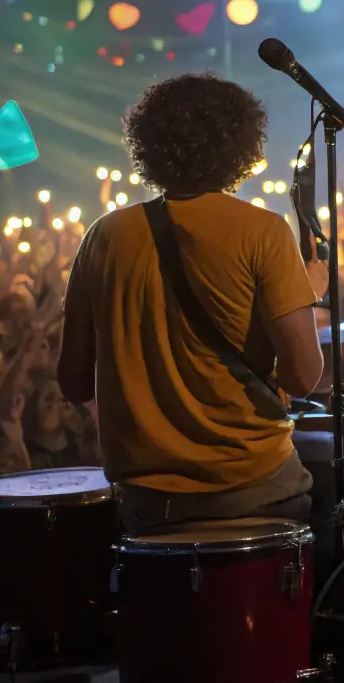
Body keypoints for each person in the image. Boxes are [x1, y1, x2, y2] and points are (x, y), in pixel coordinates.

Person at [58, 73, 326, 532]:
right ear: (240, 144)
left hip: (147, 503)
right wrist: (310, 290)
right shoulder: (263, 232)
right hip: (255, 488)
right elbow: (304, 378)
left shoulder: (104, 236)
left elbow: (74, 381)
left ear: (148, 143)